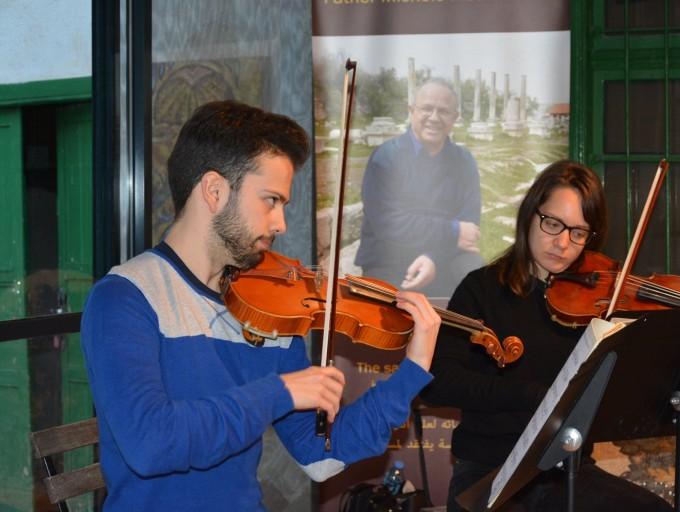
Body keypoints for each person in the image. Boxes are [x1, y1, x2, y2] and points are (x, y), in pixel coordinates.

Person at [81, 100, 441, 511]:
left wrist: (412, 370)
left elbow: (321, 455)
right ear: (215, 191)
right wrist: (281, 391)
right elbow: (151, 444)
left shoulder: (269, 310)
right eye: (270, 200)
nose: (280, 223)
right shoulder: (126, 298)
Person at [420, 160, 679, 511]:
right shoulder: (480, 290)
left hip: (568, 469)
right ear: (530, 214)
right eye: (553, 223)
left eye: (578, 232)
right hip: (488, 472)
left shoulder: (602, 302)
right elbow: (439, 382)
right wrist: (529, 394)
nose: (562, 243)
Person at [354, 78, 484, 297]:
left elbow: (469, 225)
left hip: (445, 255)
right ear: (411, 110)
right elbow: (389, 225)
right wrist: (452, 230)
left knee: (476, 276)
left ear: (455, 118)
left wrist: (433, 257)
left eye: (443, 111)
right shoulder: (386, 158)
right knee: (392, 317)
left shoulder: (464, 161)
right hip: (390, 256)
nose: (434, 117)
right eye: (426, 108)